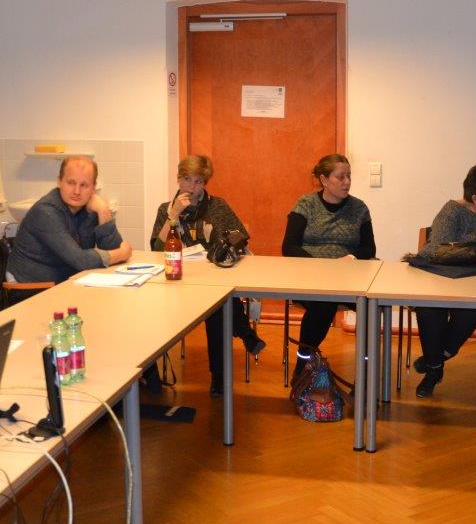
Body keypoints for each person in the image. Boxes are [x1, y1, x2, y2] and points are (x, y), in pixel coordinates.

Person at [150, 155, 266, 396]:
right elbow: (156, 248)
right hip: (179, 281)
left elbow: (241, 236)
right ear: (178, 179)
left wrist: (223, 245)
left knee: (218, 306)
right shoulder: (166, 209)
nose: (192, 187)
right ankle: (245, 333)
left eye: (198, 182)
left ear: (205, 183)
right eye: (187, 180)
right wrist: (174, 214)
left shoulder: (217, 206)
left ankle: (219, 378)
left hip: (213, 277)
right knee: (220, 304)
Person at [413, 162, 476, 398]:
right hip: (442, 280)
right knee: (428, 309)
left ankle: (435, 360)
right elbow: (436, 251)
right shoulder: (452, 211)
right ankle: (435, 368)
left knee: (472, 309)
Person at [282, 154, 375, 378]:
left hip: (348, 278)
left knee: (372, 305)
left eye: (349, 176)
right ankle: (303, 366)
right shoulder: (306, 204)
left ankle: (365, 372)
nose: (347, 182)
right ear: (324, 180)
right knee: (324, 301)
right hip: (310, 276)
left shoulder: (359, 208)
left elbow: (369, 248)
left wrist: (350, 259)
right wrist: (320, 266)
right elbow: (289, 246)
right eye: (340, 177)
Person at [7, 156, 133, 284]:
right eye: (71, 183)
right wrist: (121, 254)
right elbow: (81, 260)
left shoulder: (89, 206)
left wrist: (103, 210)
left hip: (62, 281)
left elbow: (113, 249)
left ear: (93, 188)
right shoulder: (46, 212)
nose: (77, 191)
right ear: (59, 181)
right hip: (28, 286)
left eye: (84, 185)